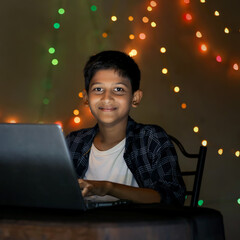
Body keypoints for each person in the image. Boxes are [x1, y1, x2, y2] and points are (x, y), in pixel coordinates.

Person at [66, 50, 186, 205]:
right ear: (86, 98)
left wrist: (108, 188)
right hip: (84, 228)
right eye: (98, 89)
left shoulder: (150, 139)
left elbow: (172, 197)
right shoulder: (74, 142)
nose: (107, 98)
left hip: (138, 228)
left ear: (135, 98)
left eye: (118, 89)